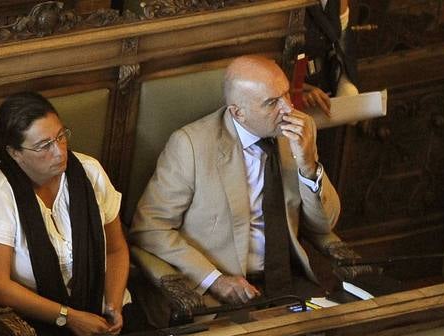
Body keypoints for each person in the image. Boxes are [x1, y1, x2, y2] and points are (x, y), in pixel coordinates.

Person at [131, 55, 341, 305]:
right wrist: (214, 280)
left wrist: (308, 167)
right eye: (272, 102)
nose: (287, 109)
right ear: (238, 113)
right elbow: (150, 229)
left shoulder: (300, 130)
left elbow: (326, 223)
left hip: (290, 279)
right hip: (221, 292)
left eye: (286, 94)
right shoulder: (191, 146)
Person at [0, 91, 140, 336]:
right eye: (44, 146)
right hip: (37, 324)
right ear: (15, 153)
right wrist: (68, 317)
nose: (60, 152)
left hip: (100, 308)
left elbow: (115, 250)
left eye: (61, 137)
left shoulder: (89, 172)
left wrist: (114, 305)